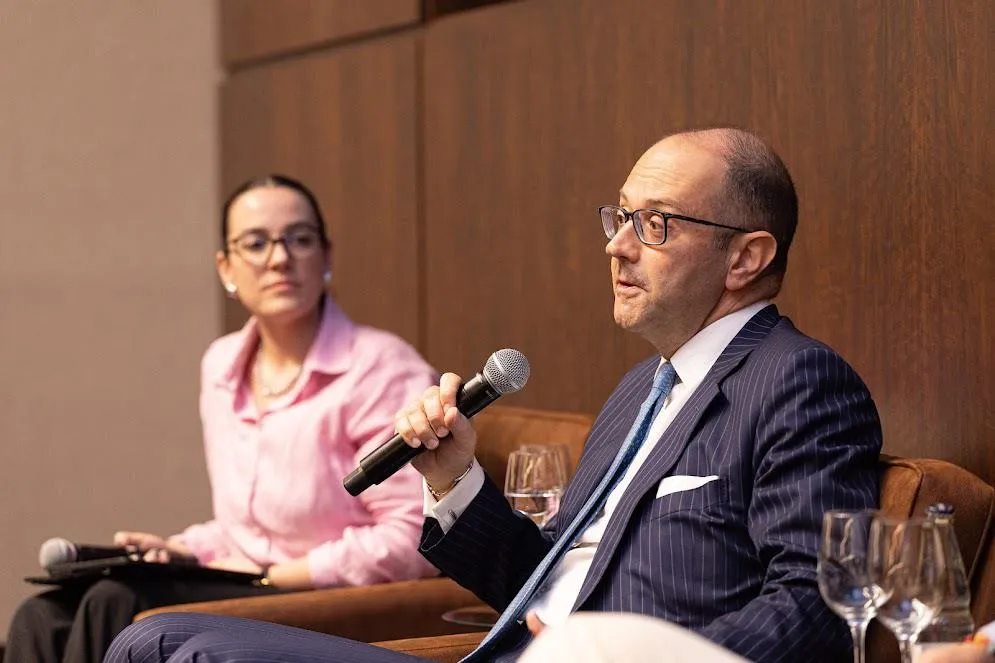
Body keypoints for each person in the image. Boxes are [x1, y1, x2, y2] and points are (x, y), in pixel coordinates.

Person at [106, 128, 883, 663]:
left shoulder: (796, 382)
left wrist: (612, 653)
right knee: (156, 639)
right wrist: (450, 479)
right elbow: (536, 578)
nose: (614, 244)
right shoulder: (639, 391)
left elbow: (814, 605)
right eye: (619, 217)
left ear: (746, 255)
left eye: (653, 224)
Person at [4, 175, 438, 663]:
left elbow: (413, 537)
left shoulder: (380, 367)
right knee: (42, 615)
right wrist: (185, 552)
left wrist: (277, 573)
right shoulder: (222, 365)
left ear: (327, 256)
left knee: (116, 602)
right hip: (250, 580)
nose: (279, 259)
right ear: (226, 268)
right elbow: (246, 530)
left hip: (327, 597)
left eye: (300, 239)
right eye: (256, 243)